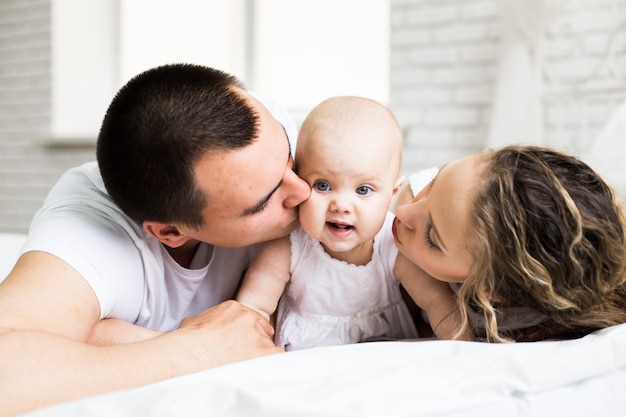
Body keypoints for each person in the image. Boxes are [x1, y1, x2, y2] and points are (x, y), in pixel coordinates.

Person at [0, 63, 311, 416]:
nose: (302, 190)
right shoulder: (88, 233)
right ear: (170, 232)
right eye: (264, 201)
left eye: (288, 156)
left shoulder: (265, 133)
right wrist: (201, 350)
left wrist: (109, 337)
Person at [237, 96, 445, 350]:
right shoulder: (289, 245)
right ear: (299, 180)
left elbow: (437, 300)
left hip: (382, 354)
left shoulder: (393, 241)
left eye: (364, 190)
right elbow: (252, 308)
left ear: (391, 194)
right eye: (323, 185)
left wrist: (462, 346)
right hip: (305, 358)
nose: (341, 205)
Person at [393, 145, 626, 342]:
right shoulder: (438, 199)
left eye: (431, 237)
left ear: (490, 288)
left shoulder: (523, 328)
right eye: (433, 183)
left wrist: (436, 299)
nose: (403, 212)